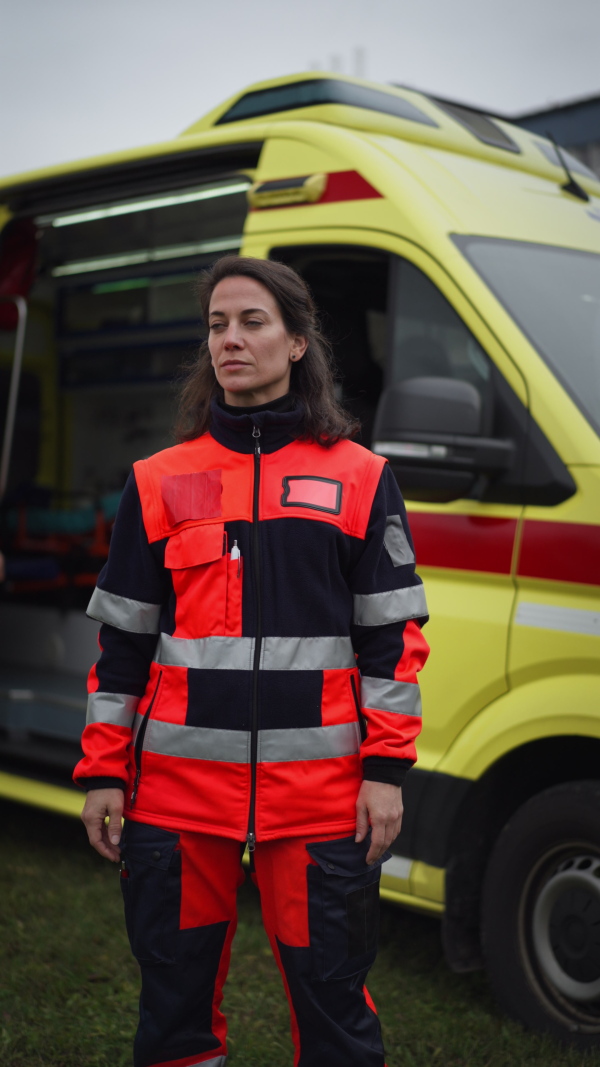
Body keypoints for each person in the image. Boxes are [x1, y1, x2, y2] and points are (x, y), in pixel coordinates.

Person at [76, 255, 429, 1067]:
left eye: (252, 321)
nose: (230, 339)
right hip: (175, 798)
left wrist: (386, 769)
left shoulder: (363, 478)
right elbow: (123, 642)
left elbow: (391, 640)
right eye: (216, 324)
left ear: (299, 341)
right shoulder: (158, 480)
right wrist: (103, 772)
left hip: (320, 802)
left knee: (336, 1009)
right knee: (173, 1011)